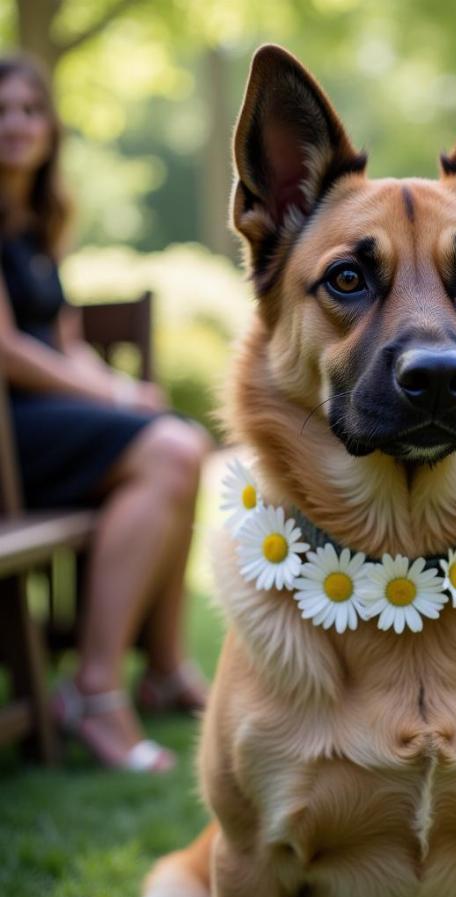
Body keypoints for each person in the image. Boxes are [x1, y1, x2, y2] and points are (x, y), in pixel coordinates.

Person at [0, 55, 212, 770]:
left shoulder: (35, 224)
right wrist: (118, 397)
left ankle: (163, 669)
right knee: (171, 450)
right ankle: (96, 692)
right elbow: (6, 351)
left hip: (37, 427)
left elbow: (60, 341)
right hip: (7, 435)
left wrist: (125, 393)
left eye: (30, 109)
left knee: (180, 444)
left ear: (50, 127)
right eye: (1, 111)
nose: (17, 124)